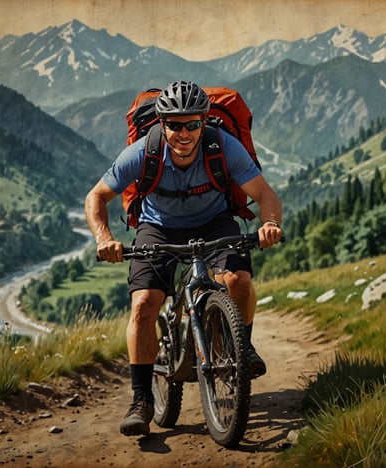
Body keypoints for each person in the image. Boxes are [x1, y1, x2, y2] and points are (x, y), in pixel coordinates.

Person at [84, 80, 283, 437]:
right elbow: (96, 197)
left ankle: (240, 348)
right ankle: (142, 399)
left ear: (204, 121)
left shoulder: (223, 147)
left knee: (238, 281)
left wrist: (269, 224)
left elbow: (265, 194)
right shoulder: (143, 153)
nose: (184, 132)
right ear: (162, 123)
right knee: (144, 304)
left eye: (193, 124)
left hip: (214, 222)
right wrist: (105, 238)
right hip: (157, 227)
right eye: (175, 124)